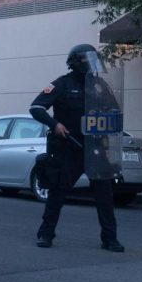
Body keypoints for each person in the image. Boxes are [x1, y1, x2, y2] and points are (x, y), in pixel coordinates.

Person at [30, 44, 124, 252]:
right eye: (86, 61)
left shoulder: (100, 85)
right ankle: (45, 234)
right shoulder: (62, 84)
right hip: (69, 148)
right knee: (58, 193)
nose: (91, 65)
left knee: (105, 196)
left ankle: (110, 239)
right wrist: (55, 125)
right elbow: (36, 107)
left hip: (96, 149)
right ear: (75, 62)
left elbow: (114, 112)